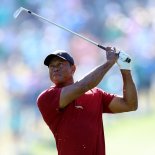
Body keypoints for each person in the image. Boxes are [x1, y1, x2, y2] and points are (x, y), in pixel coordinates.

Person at [37, 47, 138, 155]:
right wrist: (109, 63)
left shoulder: (96, 94)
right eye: (51, 66)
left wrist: (125, 69)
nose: (55, 69)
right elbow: (83, 86)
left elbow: (130, 104)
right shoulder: (46, 97)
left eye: (60, 64)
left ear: (73, 69)